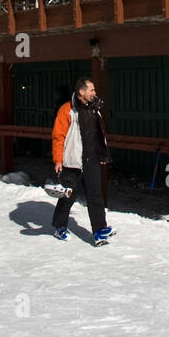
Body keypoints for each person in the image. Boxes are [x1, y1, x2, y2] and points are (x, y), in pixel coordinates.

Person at [50, 76, 113, 245]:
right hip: (73, 161)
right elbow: (58, 136)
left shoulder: (94, 109)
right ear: (81, 92)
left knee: (95, 195)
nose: (95, 92)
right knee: (69, 196)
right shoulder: (67, 110)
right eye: (91, 90)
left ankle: (99, 229)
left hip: (91, 159)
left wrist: (102, 154)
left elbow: (99, 134)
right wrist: (58, 160)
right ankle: (59, 226)